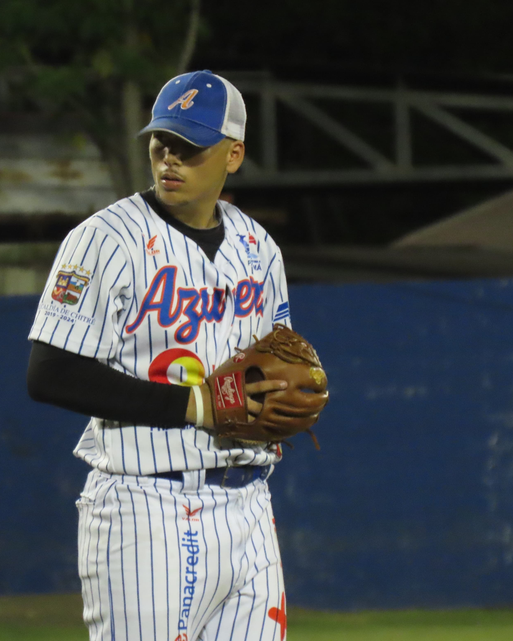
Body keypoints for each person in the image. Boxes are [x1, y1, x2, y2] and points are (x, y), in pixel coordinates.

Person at [27, 69, 325, 641]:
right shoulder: (104, 239)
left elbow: (276, 357)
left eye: (191, 149)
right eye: (163, 143)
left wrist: (290, 390)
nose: (171, 159)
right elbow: (50, 374)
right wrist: (195, 406)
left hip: (248, 504)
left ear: (233, 155)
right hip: (145, 507)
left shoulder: (258, 248)